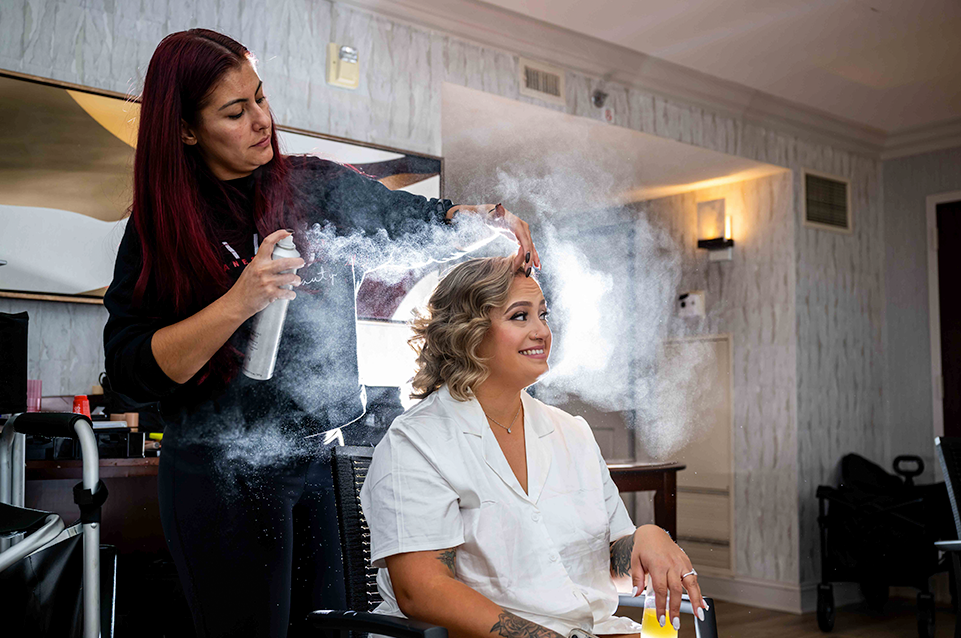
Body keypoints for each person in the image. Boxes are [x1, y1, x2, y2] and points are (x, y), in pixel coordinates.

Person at [103, 29, 539, 638]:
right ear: (185, 129)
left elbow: (406, 221)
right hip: (223, 473)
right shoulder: (161, 228)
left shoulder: (311, 185)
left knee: (334, 629)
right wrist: (239, 301)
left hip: (322, 458)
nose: (262, 121)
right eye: (235, 111)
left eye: (260, 98)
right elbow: (130, 371)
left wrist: (474, 218)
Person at [360, 257, 708, 638]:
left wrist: (647, 538)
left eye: (543, 314)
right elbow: (422, 593)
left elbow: (609, 564)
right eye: (519, 316)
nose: (542, 330)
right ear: (468, 332)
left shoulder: (571, 432)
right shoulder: (417, 442)